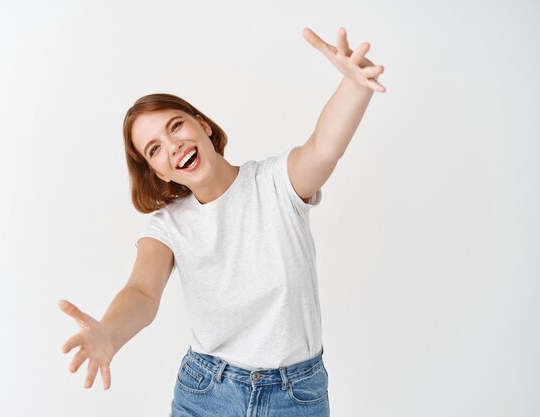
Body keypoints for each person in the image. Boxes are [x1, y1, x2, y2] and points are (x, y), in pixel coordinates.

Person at [58, 26, 385, 416]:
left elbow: (324, 147)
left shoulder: (277, 183)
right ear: (159, 173)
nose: (173, 145)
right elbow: (142, 293)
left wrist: (354, 85)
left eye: (175, 125)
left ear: (203, 125)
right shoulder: (168, 227)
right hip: (206, 393)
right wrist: (109, 333)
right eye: (155, 148)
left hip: (296, 396)